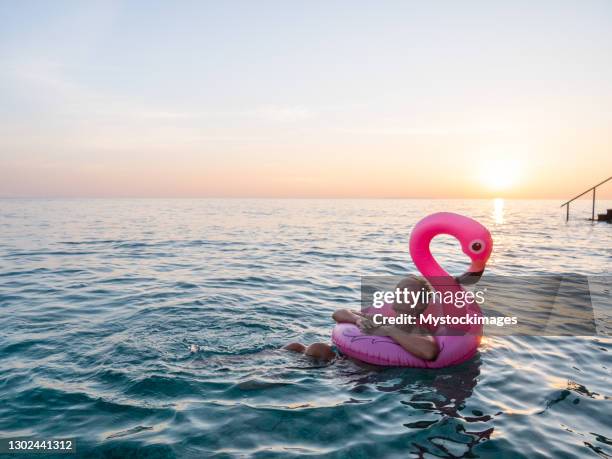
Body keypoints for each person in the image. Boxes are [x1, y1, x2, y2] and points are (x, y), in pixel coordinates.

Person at [284, 275, 439, 362]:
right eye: (398, 289)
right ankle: (263, 369)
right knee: (294, 345)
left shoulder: (417, 329)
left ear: (420, 304)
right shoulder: (383, 319)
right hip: (342, 356)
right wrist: (358, 320)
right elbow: (339, 313)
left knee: (317, 348)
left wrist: (389, 330)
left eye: (406, 291)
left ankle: (273, 380)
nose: (399, 293)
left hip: (358, 371)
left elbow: (429, 352)